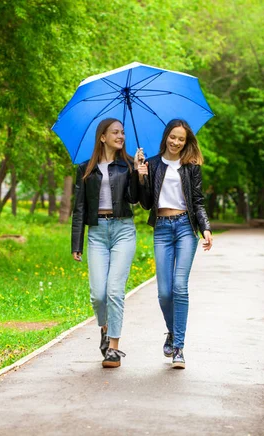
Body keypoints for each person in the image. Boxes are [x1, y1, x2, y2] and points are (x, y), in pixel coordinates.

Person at [136, 118, 213, 369]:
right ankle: (172, 331)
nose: (176, 142)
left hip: (184, 229)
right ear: (166, 136)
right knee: (164, 292)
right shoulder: (153, 164)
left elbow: (198, 202)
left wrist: (206, 228)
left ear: (186, 141)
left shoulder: (191, 167)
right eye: (173, 137)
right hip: (161, 229)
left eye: (181, 139)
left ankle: (178, 347)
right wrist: (141, 177)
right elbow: (146, 203)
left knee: (180, 287)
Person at [71, 118, 141, 368]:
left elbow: (136, 200)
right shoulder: (84, 169)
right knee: (98, 294)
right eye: (115, 132)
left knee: (114, 291)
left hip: (123, 230)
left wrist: (140, 175)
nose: (120, 136)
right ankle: (104, 328)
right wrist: (76, 243)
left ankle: (113, 347)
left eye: (122, 132)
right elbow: (79, 208)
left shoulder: (129, 165)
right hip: (97, 233)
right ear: (102, 137)